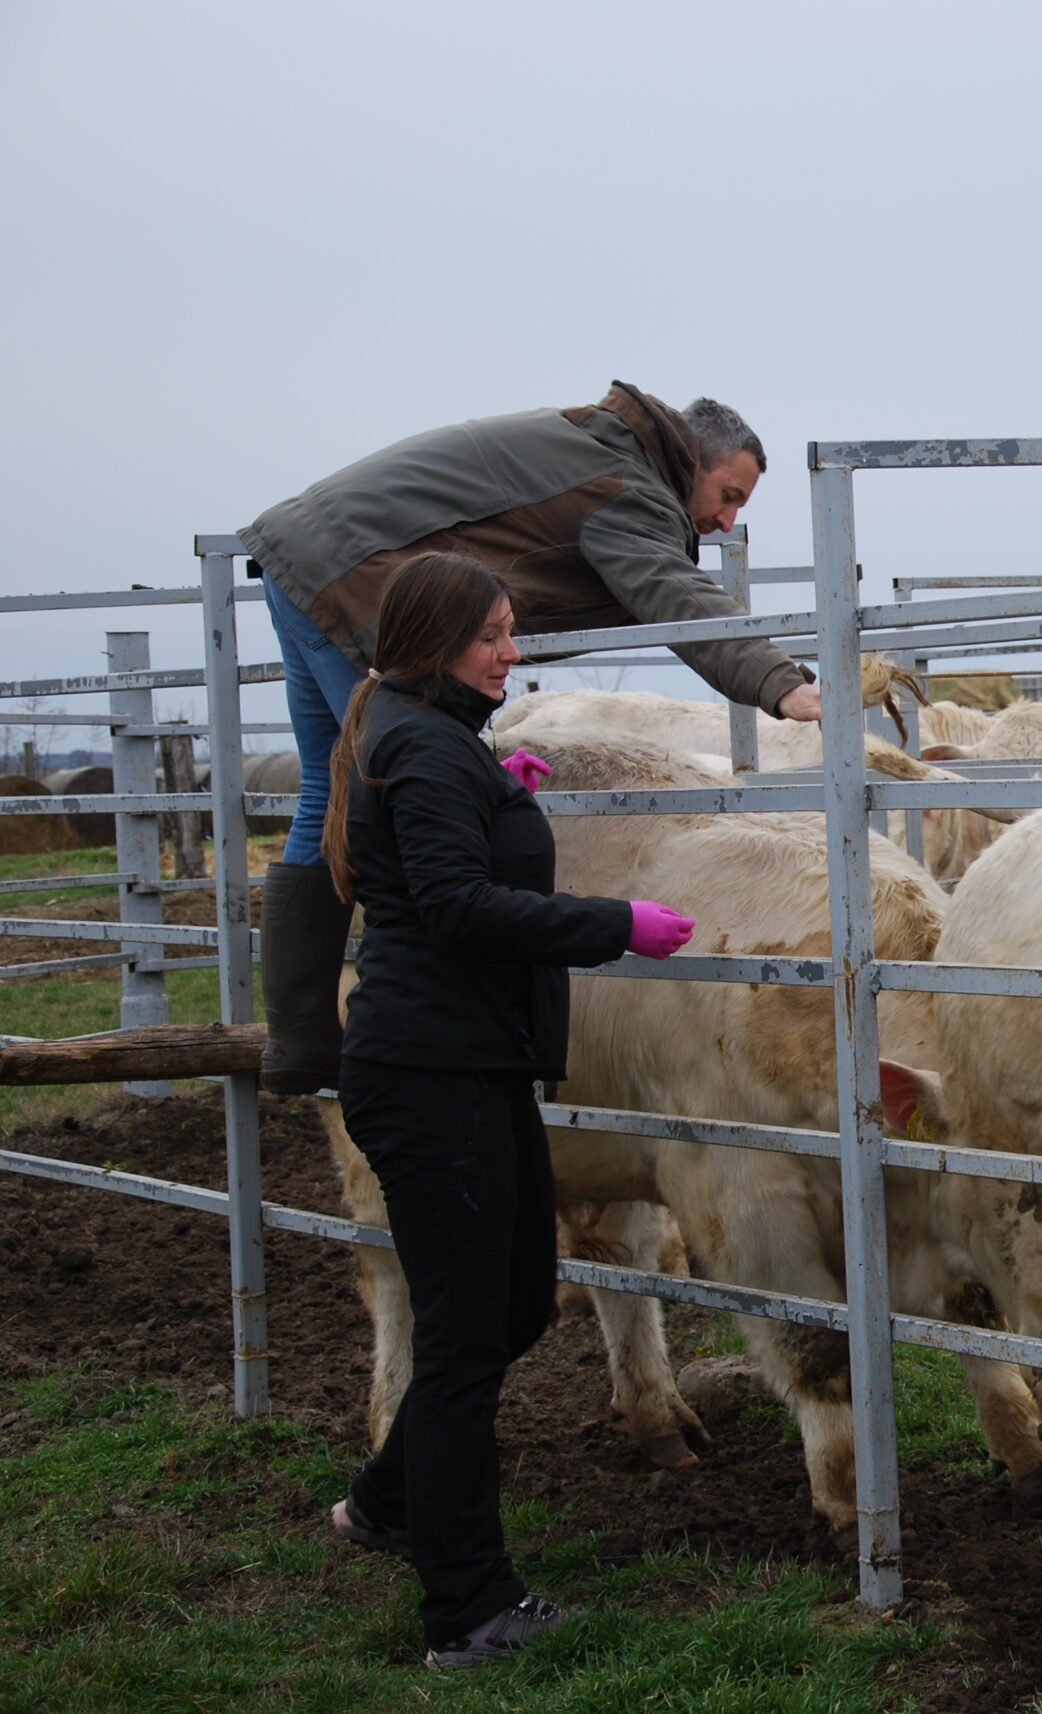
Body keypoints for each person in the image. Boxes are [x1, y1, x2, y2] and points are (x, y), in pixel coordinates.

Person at [316, 552, 698, 1668]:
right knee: (467, 1337)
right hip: (431, 1075)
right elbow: (454, 907)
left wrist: (500, 790)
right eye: (493, 634)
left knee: (518, 1299)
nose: (511, 650)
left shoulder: (430, 737)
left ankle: (387, 1505)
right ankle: (469, 1606)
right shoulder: (423, 748)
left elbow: (444, 854)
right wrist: (611, 920)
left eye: (511, 630)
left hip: (472, 1066)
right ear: (436, 639)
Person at [240, 382, 815, 1094]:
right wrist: (780, 681)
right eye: (728, 495)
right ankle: (422, 1032)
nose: (726, 522)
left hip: (305, 554)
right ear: (692, 459)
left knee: (326, 799)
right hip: (353, 576)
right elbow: (672, 590)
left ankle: (299, 1041)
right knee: (419, 782)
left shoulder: (603, 446)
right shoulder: (627, 484)